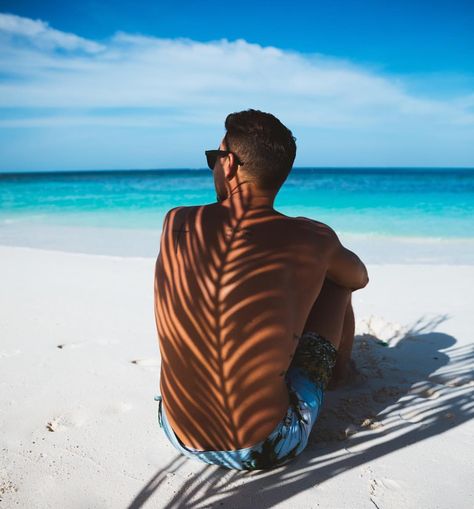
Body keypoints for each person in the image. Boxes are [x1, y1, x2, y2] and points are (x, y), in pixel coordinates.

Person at [154, 109, 369, 470]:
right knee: (337, 285)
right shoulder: (312, 237)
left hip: (177, 432)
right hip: (264, 445)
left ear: (230, 165)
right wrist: (319, 252)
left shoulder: (176, 222)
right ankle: (338, 376)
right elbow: (359, 278)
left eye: (214, 157)